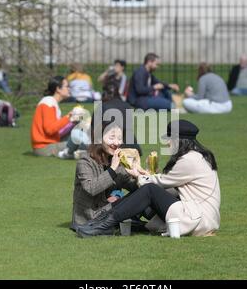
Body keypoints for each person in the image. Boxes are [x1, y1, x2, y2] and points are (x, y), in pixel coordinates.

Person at [76, 120, 221, 238]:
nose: (168, 143)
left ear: (178, 140)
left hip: (200, 218)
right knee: (148, 191)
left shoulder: (190, 160)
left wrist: (139, 174)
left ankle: (102, 225)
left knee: (150, 190)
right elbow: (91, 188)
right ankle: (102, 225)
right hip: (201, 214)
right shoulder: (197, 156)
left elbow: (161, 182)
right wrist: (137, 174)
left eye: (169, 139)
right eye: (112, 137)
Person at [71, 121, 143, 232]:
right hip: (90, 217)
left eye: (119, 138)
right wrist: (112, 169)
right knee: (146, 193)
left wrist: (138, 177)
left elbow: (132, 187)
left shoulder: (115, 160)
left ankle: (159, 222)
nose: (117, 142)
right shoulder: (85, 161)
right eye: (112, 137)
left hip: (109, 210)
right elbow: (91, 188)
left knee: (146, 191)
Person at [30, 76, 89, 157]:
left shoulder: (50, 102)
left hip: (47, 144)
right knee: (81, 144)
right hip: (44, 148)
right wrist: (69, 116)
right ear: (58, 89)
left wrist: (73, 121)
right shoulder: (48, 103)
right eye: (67, 86)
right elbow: (50, 129)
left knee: (80, 136)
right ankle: (69, 154)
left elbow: (57, 130)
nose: (69, 89)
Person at [92, 77, 142, 155]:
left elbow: (94, 130)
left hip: (110, 147)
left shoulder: (101, 107)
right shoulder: (127, 105)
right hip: (131, 145)